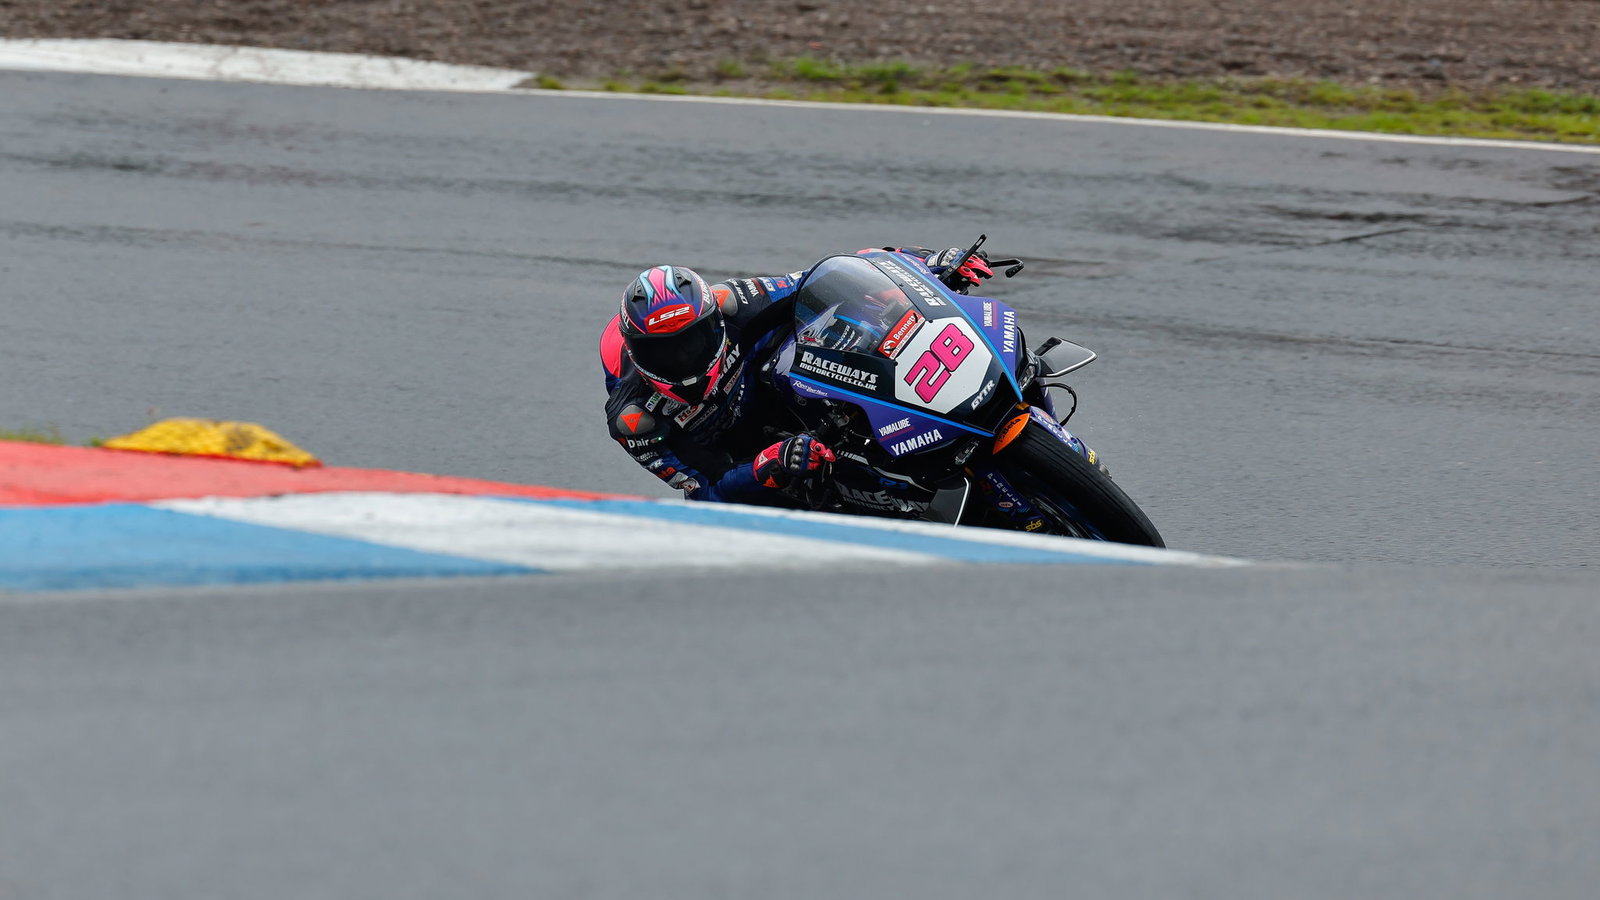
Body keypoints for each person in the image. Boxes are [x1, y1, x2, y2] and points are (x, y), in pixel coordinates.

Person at [600, 246, 994, 506]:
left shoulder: (734, 302)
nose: (682, 359)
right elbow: (706, 491)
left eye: (692, 341)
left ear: (714, 320)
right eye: (662, 351)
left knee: (838, 330)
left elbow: (830, 276)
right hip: (736, 453)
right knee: (763, 505)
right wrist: (765, 466)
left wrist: (927, 263)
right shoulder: (636, 420)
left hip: (764, 382)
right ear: (635, 350)